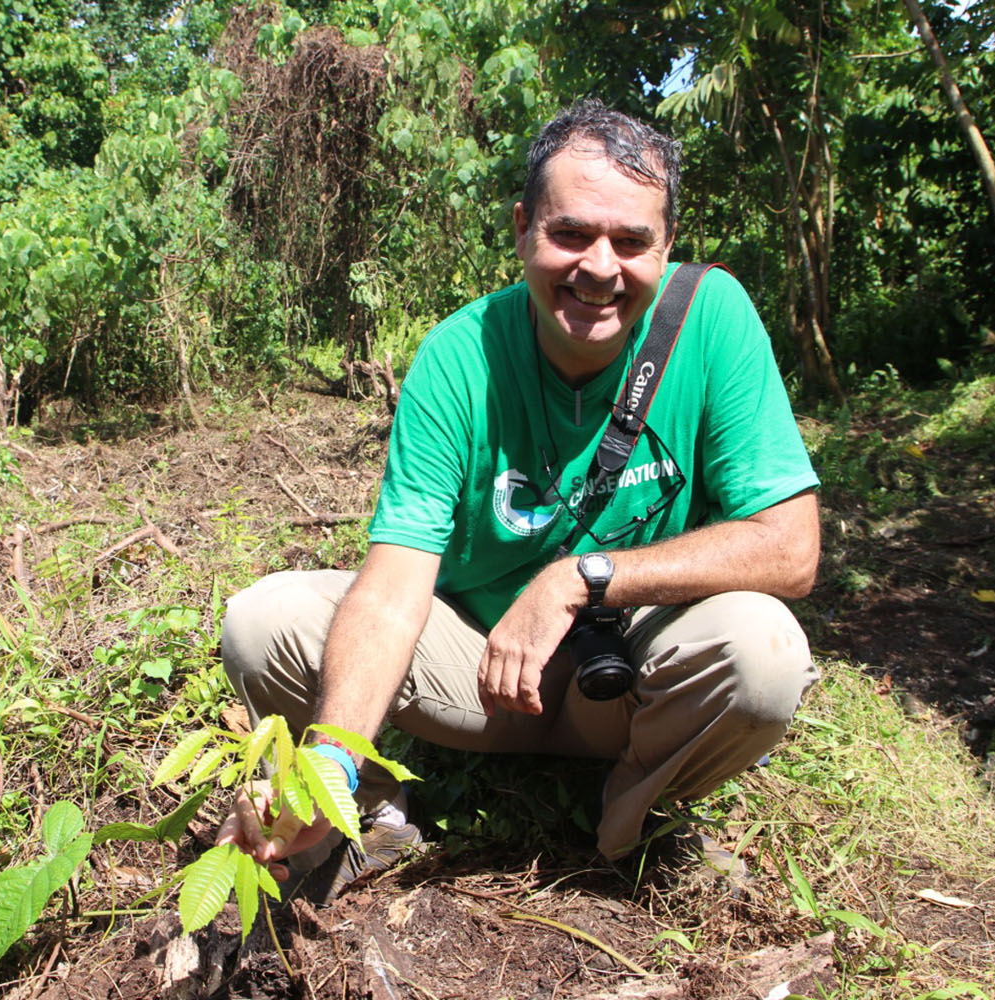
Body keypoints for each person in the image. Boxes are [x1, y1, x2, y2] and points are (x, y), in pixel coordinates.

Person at [216, 98, 821, 896]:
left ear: (666, 246)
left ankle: (633, 824)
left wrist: (581, 577)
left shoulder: (711, 317)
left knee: (764, 654)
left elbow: (790, 545)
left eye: (632, 241)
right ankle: (361, 810)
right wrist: (328, 756)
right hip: (478, 678)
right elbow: (396, 586)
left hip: (629, 675)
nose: (600, 268)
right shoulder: (459, 356)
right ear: (523, 227)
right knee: (263, 624)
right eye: (570, 233)